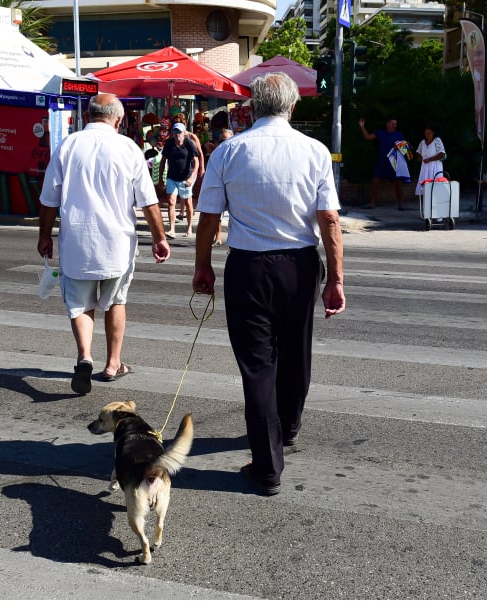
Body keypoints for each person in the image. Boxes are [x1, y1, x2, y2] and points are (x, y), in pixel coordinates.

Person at [192, 72, 346, 496]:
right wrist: (336, 279)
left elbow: (208, 218)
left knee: (258, 365)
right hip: (299, 266)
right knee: (296, 352)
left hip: (248, 269)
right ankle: (289, 428)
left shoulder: (228, 151)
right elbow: (329, 220)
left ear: (252, 107)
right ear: (293, 107)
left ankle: (267, 465)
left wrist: (202, 266)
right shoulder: (314, 151)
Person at [37, 93, 171, 395]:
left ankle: (84, 356)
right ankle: (112, 364)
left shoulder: (67, 146)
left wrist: (44, 235)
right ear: (119, 120)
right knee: (115, 301)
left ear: (86, 116)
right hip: (118, 245)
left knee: (80, 306)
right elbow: (148, 202)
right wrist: (160, 238)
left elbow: (49, 200)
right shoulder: (129, 148)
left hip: (77, 242)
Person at [158, 121, 201, 238]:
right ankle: (172, 229)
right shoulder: (169, 143)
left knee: (187, 203)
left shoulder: (189, 143)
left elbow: (196, 162)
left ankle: (189, 227)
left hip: (185, 177)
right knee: (171, 202)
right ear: (172, 133)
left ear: (184, 133)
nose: (177, 135)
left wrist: (192, 177)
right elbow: (163, 161)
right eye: (175, 132)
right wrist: (161, 178)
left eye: (179, 132)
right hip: (172, 177)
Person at [359, 117, 411, 210]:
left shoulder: (399, 135)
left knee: (398, 183)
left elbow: (406, 150)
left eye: (395, 123)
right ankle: (372, 203)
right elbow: (368, 137)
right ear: (387, 124)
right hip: (382, 161)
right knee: (375, 181)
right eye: (392, 123)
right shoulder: (381, 133)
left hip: (394, 163)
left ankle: (400, 204)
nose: (394, 125)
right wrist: (362, 126)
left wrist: (398, 147)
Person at [202, 127, 233, 246]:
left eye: (226, 140)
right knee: (217, 213)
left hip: (232, 188)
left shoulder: (237, 154)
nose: (223, 144)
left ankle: (231, 239)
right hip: (220, 187)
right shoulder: (216, 154)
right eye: (220, 141)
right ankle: (218, 237)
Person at [415, 123, 447, 196]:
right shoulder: (422, 142)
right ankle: (425, 204)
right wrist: (420, 158)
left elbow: (442, 154)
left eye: (429, 133)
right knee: (424, 185)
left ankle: (435, 204)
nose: (427, 134)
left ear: (433, 133)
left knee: (435, 185)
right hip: (425, 167)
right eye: (426, 133)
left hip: (435, 166)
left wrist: (429, 159)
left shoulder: (437, 140)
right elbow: (418, 152)